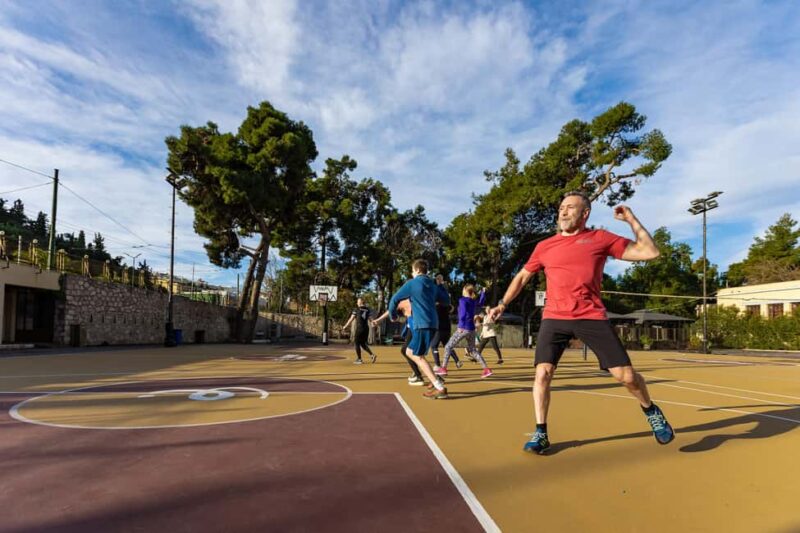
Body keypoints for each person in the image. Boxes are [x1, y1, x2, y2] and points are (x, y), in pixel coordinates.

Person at [489, 191, 674, 454]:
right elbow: (521, 277)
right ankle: (541, 432)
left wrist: (631, 219)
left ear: (584, 213)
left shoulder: (600, 238)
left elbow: (650, 251)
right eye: (561, 207)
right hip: (554, 317)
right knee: (542, 374)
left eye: (570, 208)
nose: (563, 212)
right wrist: (503, 304)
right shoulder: (545, 246)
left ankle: (650, 410)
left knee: (626, 376)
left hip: (590, 316)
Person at [387, 259, 450, 399]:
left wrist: (392, 315)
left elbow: (394, 299)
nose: (411, 273)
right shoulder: (433, 285)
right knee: (409, 351)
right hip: (433, 323)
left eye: (412, 270)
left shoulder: (412, 283)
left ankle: (439, 386)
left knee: (418, 356)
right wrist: (440, 286)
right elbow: (447, 301)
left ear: (416, 271)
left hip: (422, 324)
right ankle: (436, 380)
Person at [440, 285, 492, 378]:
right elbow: (481, 302)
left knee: (448, 346)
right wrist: (483, 293)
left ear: (465, 291)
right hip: (471, 329)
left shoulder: (462, 300)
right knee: (473, 350)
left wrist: (460, 326)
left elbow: (463, 314)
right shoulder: (473, 301)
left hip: (463, 328)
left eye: (463, 289)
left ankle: (443, 368)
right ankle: (486, 369)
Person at [372, 300, 426, 386]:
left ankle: (420, 376)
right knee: (409, 351)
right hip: (412, 327)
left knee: (409, 351)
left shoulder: (410, 298)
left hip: (416, 327)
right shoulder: (411, 298)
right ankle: (417, 373)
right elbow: (392, 310)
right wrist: (379, 320)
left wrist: (379, 320)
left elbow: (392, 309)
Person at [431, 274, 461, 372]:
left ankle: (437, 365)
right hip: (447, 327)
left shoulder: (437, 306)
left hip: (439, 328)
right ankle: (457, 361)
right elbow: (451, 307)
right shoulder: (446, 305)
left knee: (434, 345)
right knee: (447, 345)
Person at [341, 297, 376, 364]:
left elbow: (351, 319)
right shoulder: (368, 310)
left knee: (356, 343)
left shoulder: (356, 309)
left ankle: (359, 359)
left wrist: (345, 326)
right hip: (366, 328)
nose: (357, 303)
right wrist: (373, 323)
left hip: (360, 328)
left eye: (357, 302)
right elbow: (371, 319)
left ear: (360, 302)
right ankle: (372, 355)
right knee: (362, 343)